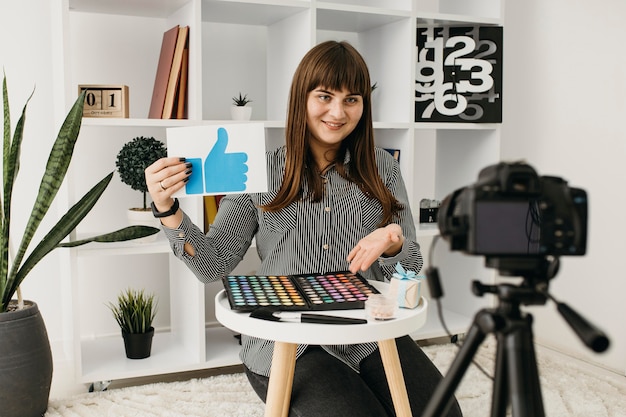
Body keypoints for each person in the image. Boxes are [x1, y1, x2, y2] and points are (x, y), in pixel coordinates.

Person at [145, 40, 463, 417]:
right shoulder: (260, 171)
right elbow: (212, 266)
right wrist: (167, 208)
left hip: (367, 332)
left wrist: (394, 244)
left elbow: (409, 271)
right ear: (302, 98)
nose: (337, 112)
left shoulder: (383, 169)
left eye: (352, 99)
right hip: (287, 343)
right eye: (325, 96)